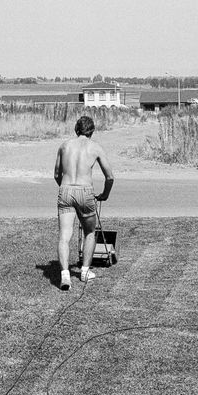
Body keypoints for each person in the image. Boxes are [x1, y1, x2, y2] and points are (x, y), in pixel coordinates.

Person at [54, 115, 114, 290]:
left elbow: (57, 174)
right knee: (90, 232)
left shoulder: (64, 146)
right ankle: (85, 271)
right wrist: (104, 194)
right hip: (85, 191)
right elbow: (109, 177)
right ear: (92, 131)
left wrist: (66, 189)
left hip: (65, 190)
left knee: (64, 236)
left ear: (76, 129)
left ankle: (65, 275)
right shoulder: (95, 148)